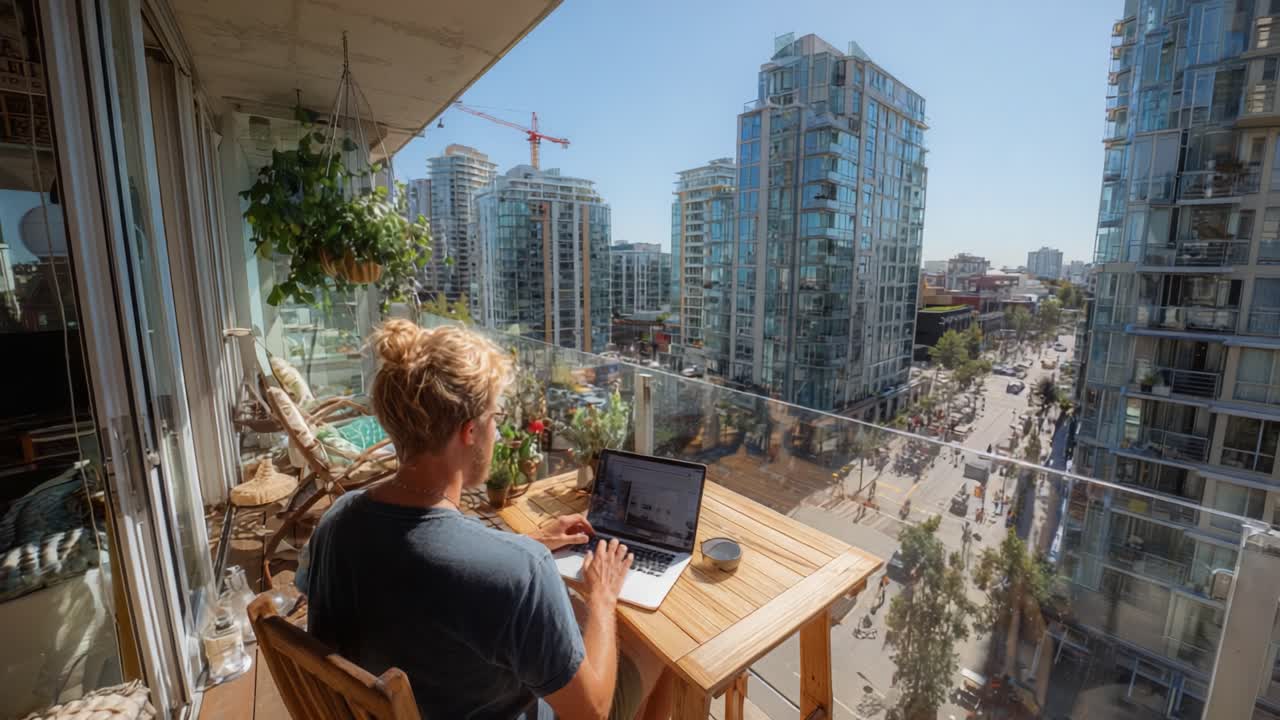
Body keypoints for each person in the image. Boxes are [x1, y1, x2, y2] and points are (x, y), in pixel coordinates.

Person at [296, 320, 670, 720]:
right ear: (469, 431)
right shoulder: (521, 573)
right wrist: (603, 596)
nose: (498, 428)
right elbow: (591, 710)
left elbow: (423, 575)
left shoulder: (337, 521)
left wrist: (529, 542)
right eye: (495, 417)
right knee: (657, 648)